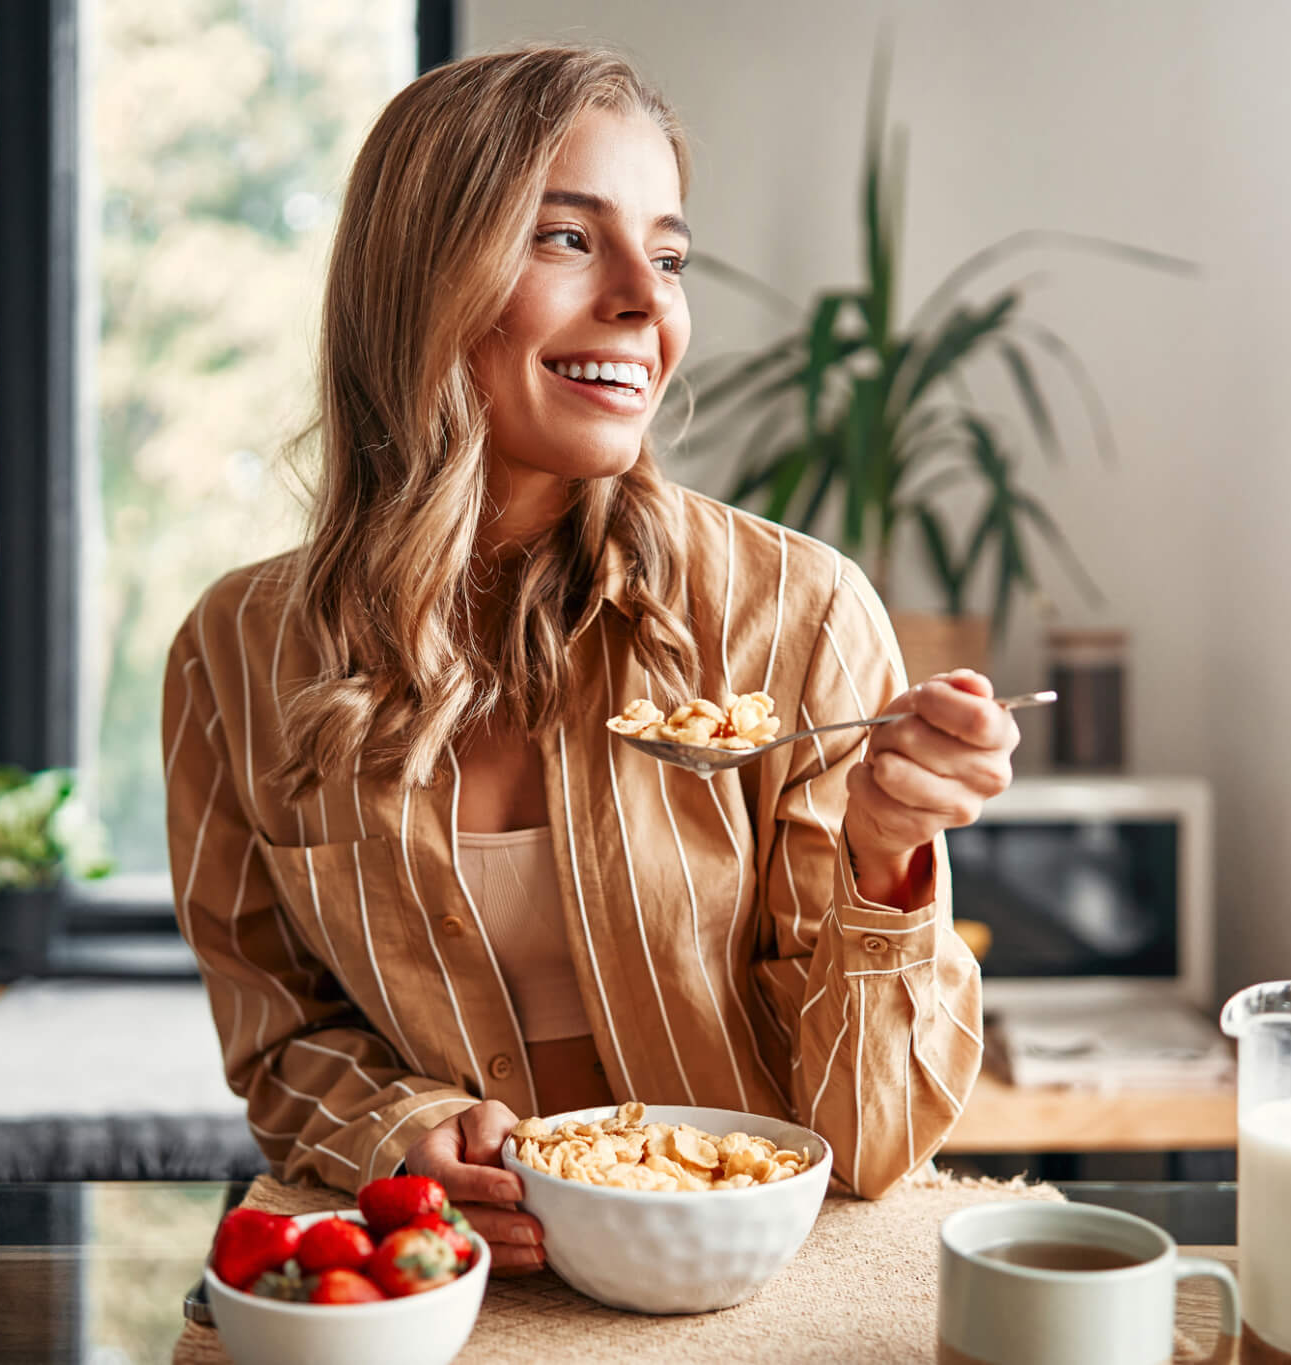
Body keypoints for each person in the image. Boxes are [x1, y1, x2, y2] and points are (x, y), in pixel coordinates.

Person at [163, 44, 1016, 1275]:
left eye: (667, 257)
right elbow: (282, 1039)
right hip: (447, 1293)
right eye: (567, 238)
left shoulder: (802, 615)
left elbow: (868, 1144)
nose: (643, 300)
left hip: (754, 1303)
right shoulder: (234, 657)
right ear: (419, 279)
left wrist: (884, 861)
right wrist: (402, 1130)